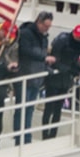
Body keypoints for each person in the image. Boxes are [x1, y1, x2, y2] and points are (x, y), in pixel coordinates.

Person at [13, 11, 52, 144]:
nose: (47, 29)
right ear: (38, 22)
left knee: (29, 109)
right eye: (45, 26)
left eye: (49, 27)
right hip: (24, 75)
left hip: (36, 77)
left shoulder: (44, 37)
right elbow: (25, 51)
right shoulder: (26, 34)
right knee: (21, 108)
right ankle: (20, 138)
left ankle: (26, 136)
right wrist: (44, 57)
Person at [42, 24, 80, 139]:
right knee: (49, 107)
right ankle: (45, 134)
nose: (79, 39)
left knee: (58, 108)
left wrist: (76, 69)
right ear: (74, 33)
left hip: (65, 79)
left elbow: (75, 59)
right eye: (78, 36)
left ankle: (53, 134)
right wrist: (68, 68)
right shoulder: (62, 40)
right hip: (54, 77)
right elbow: (55, 58)